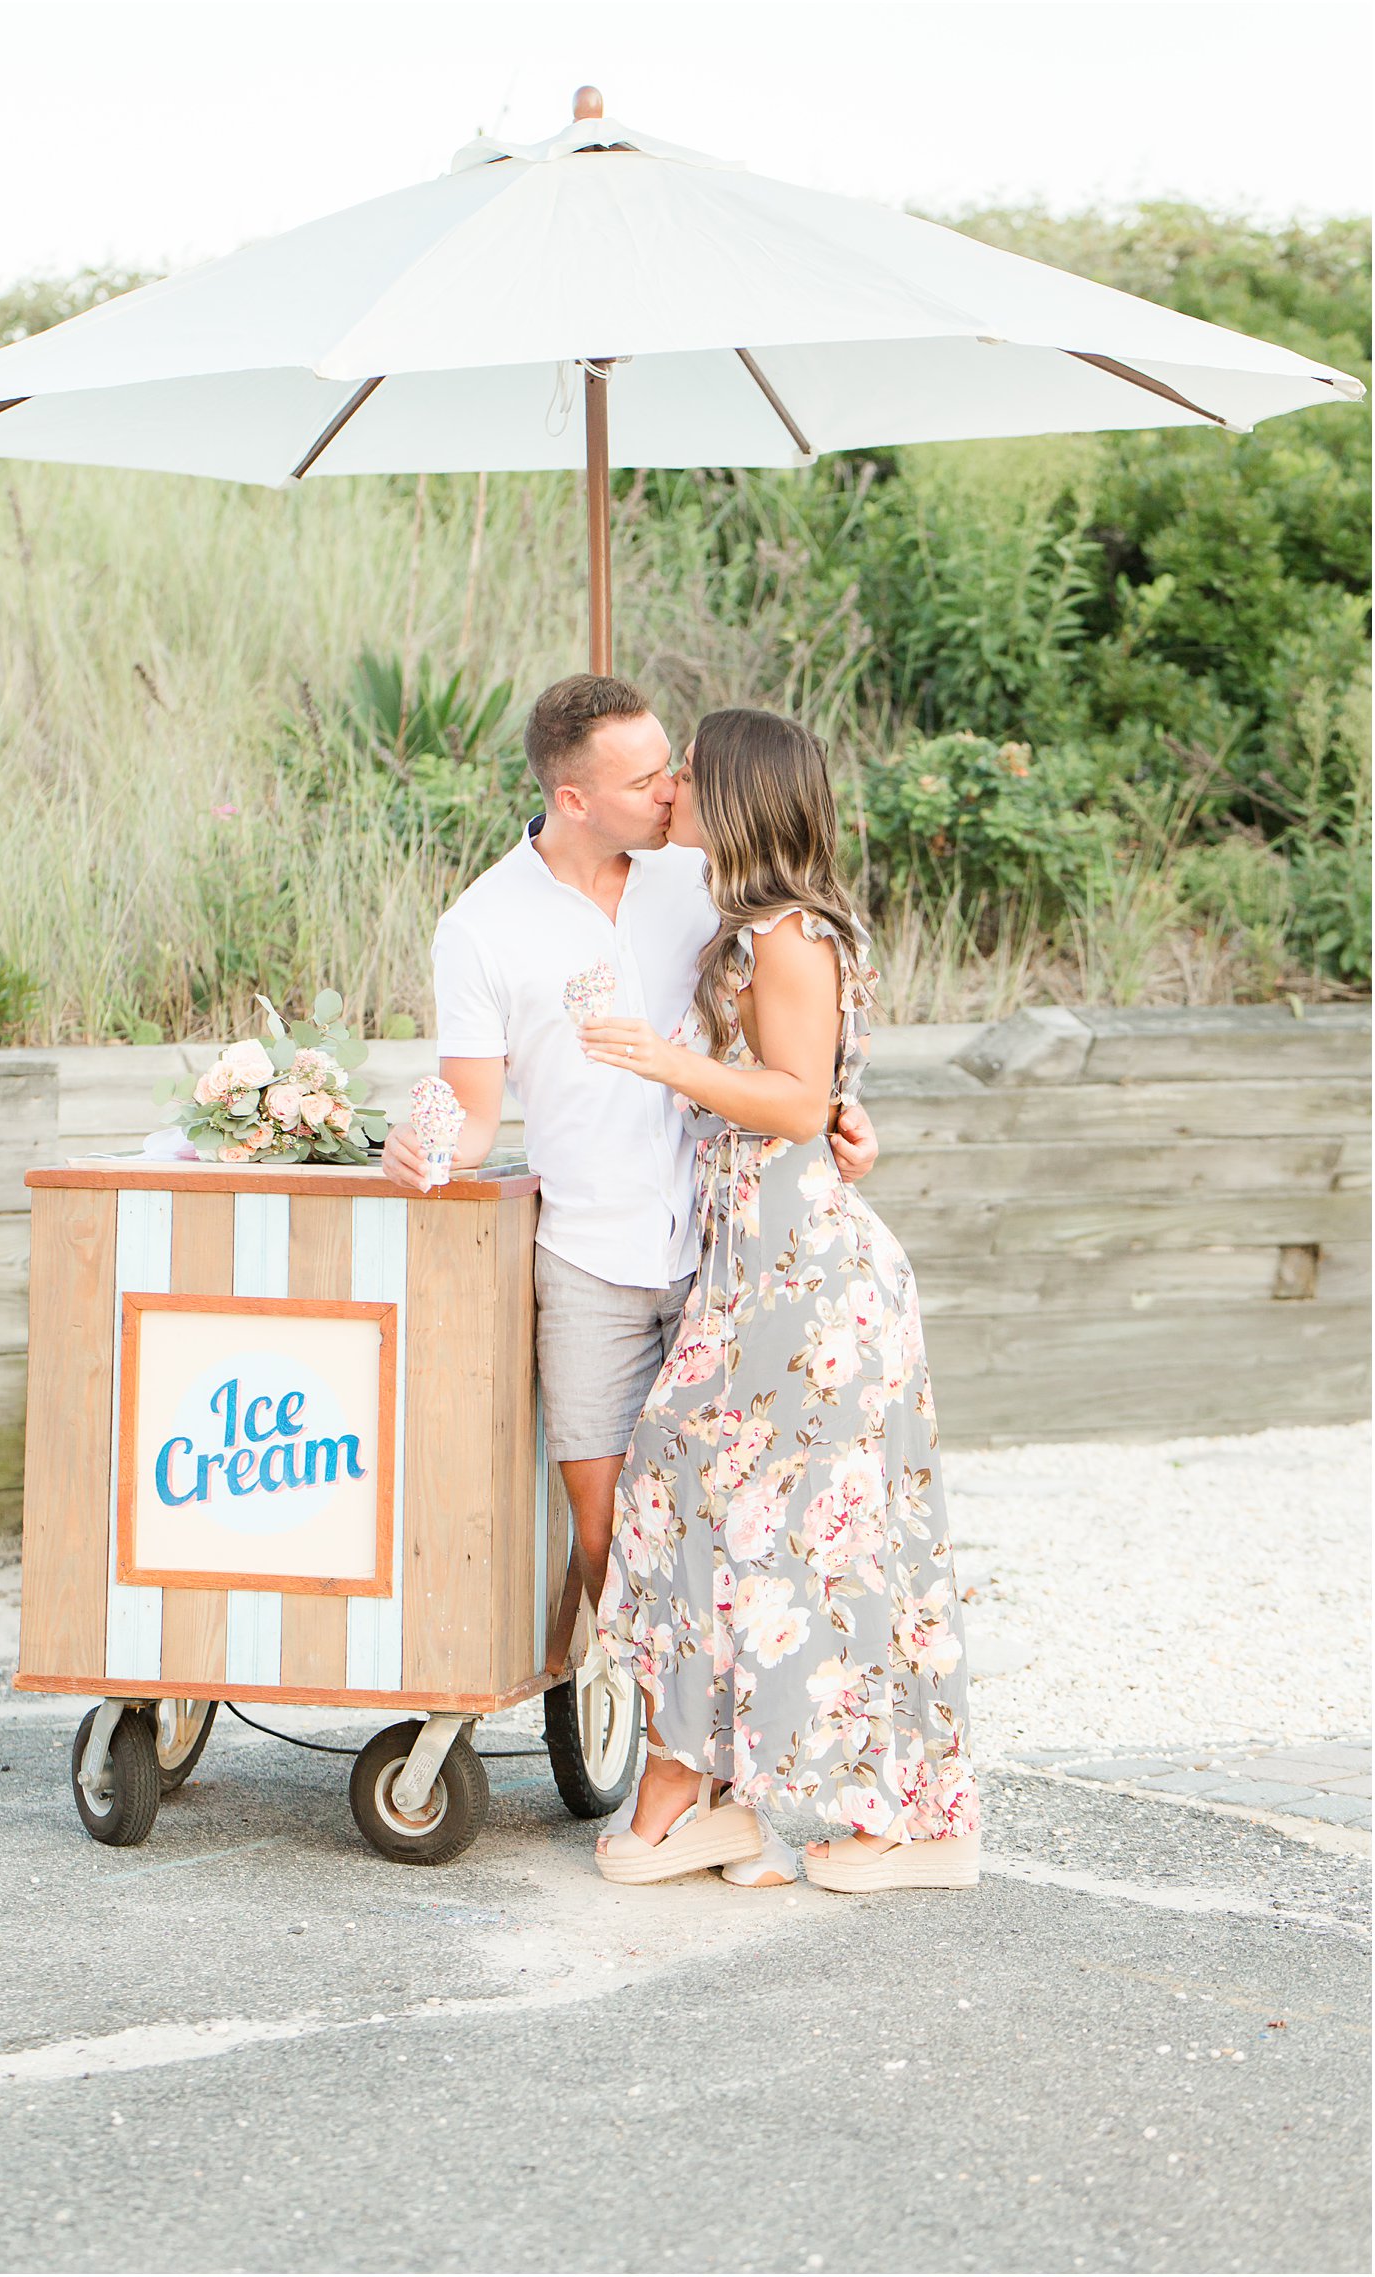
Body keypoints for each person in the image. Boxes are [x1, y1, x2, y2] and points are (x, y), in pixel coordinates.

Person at [380, 678, 879, 1871]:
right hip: (591, 1261)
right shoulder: (482, 927)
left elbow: (785, 1042)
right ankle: (680, 1769)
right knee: (612, 1539)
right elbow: (473, 1100)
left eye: (676, 767)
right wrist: (415, 1138)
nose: (672, 788)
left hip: (722, 1253)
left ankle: (694, 1786)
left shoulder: (699, 880)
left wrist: (843, 1111)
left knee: (731, 1529)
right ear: (573, 797)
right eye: (647, 777)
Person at [582, 708, 980, 1894]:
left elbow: (802, 1102)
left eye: (693, 776)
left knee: (805, 1530)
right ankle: (718, 1794)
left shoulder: (789, 934)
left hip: (807, 1283)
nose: (676, 790)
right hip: (760, 1265)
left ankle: (910, 1820)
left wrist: (665, 1063)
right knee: (723, 1514)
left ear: (742, 796)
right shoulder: (749, 924)